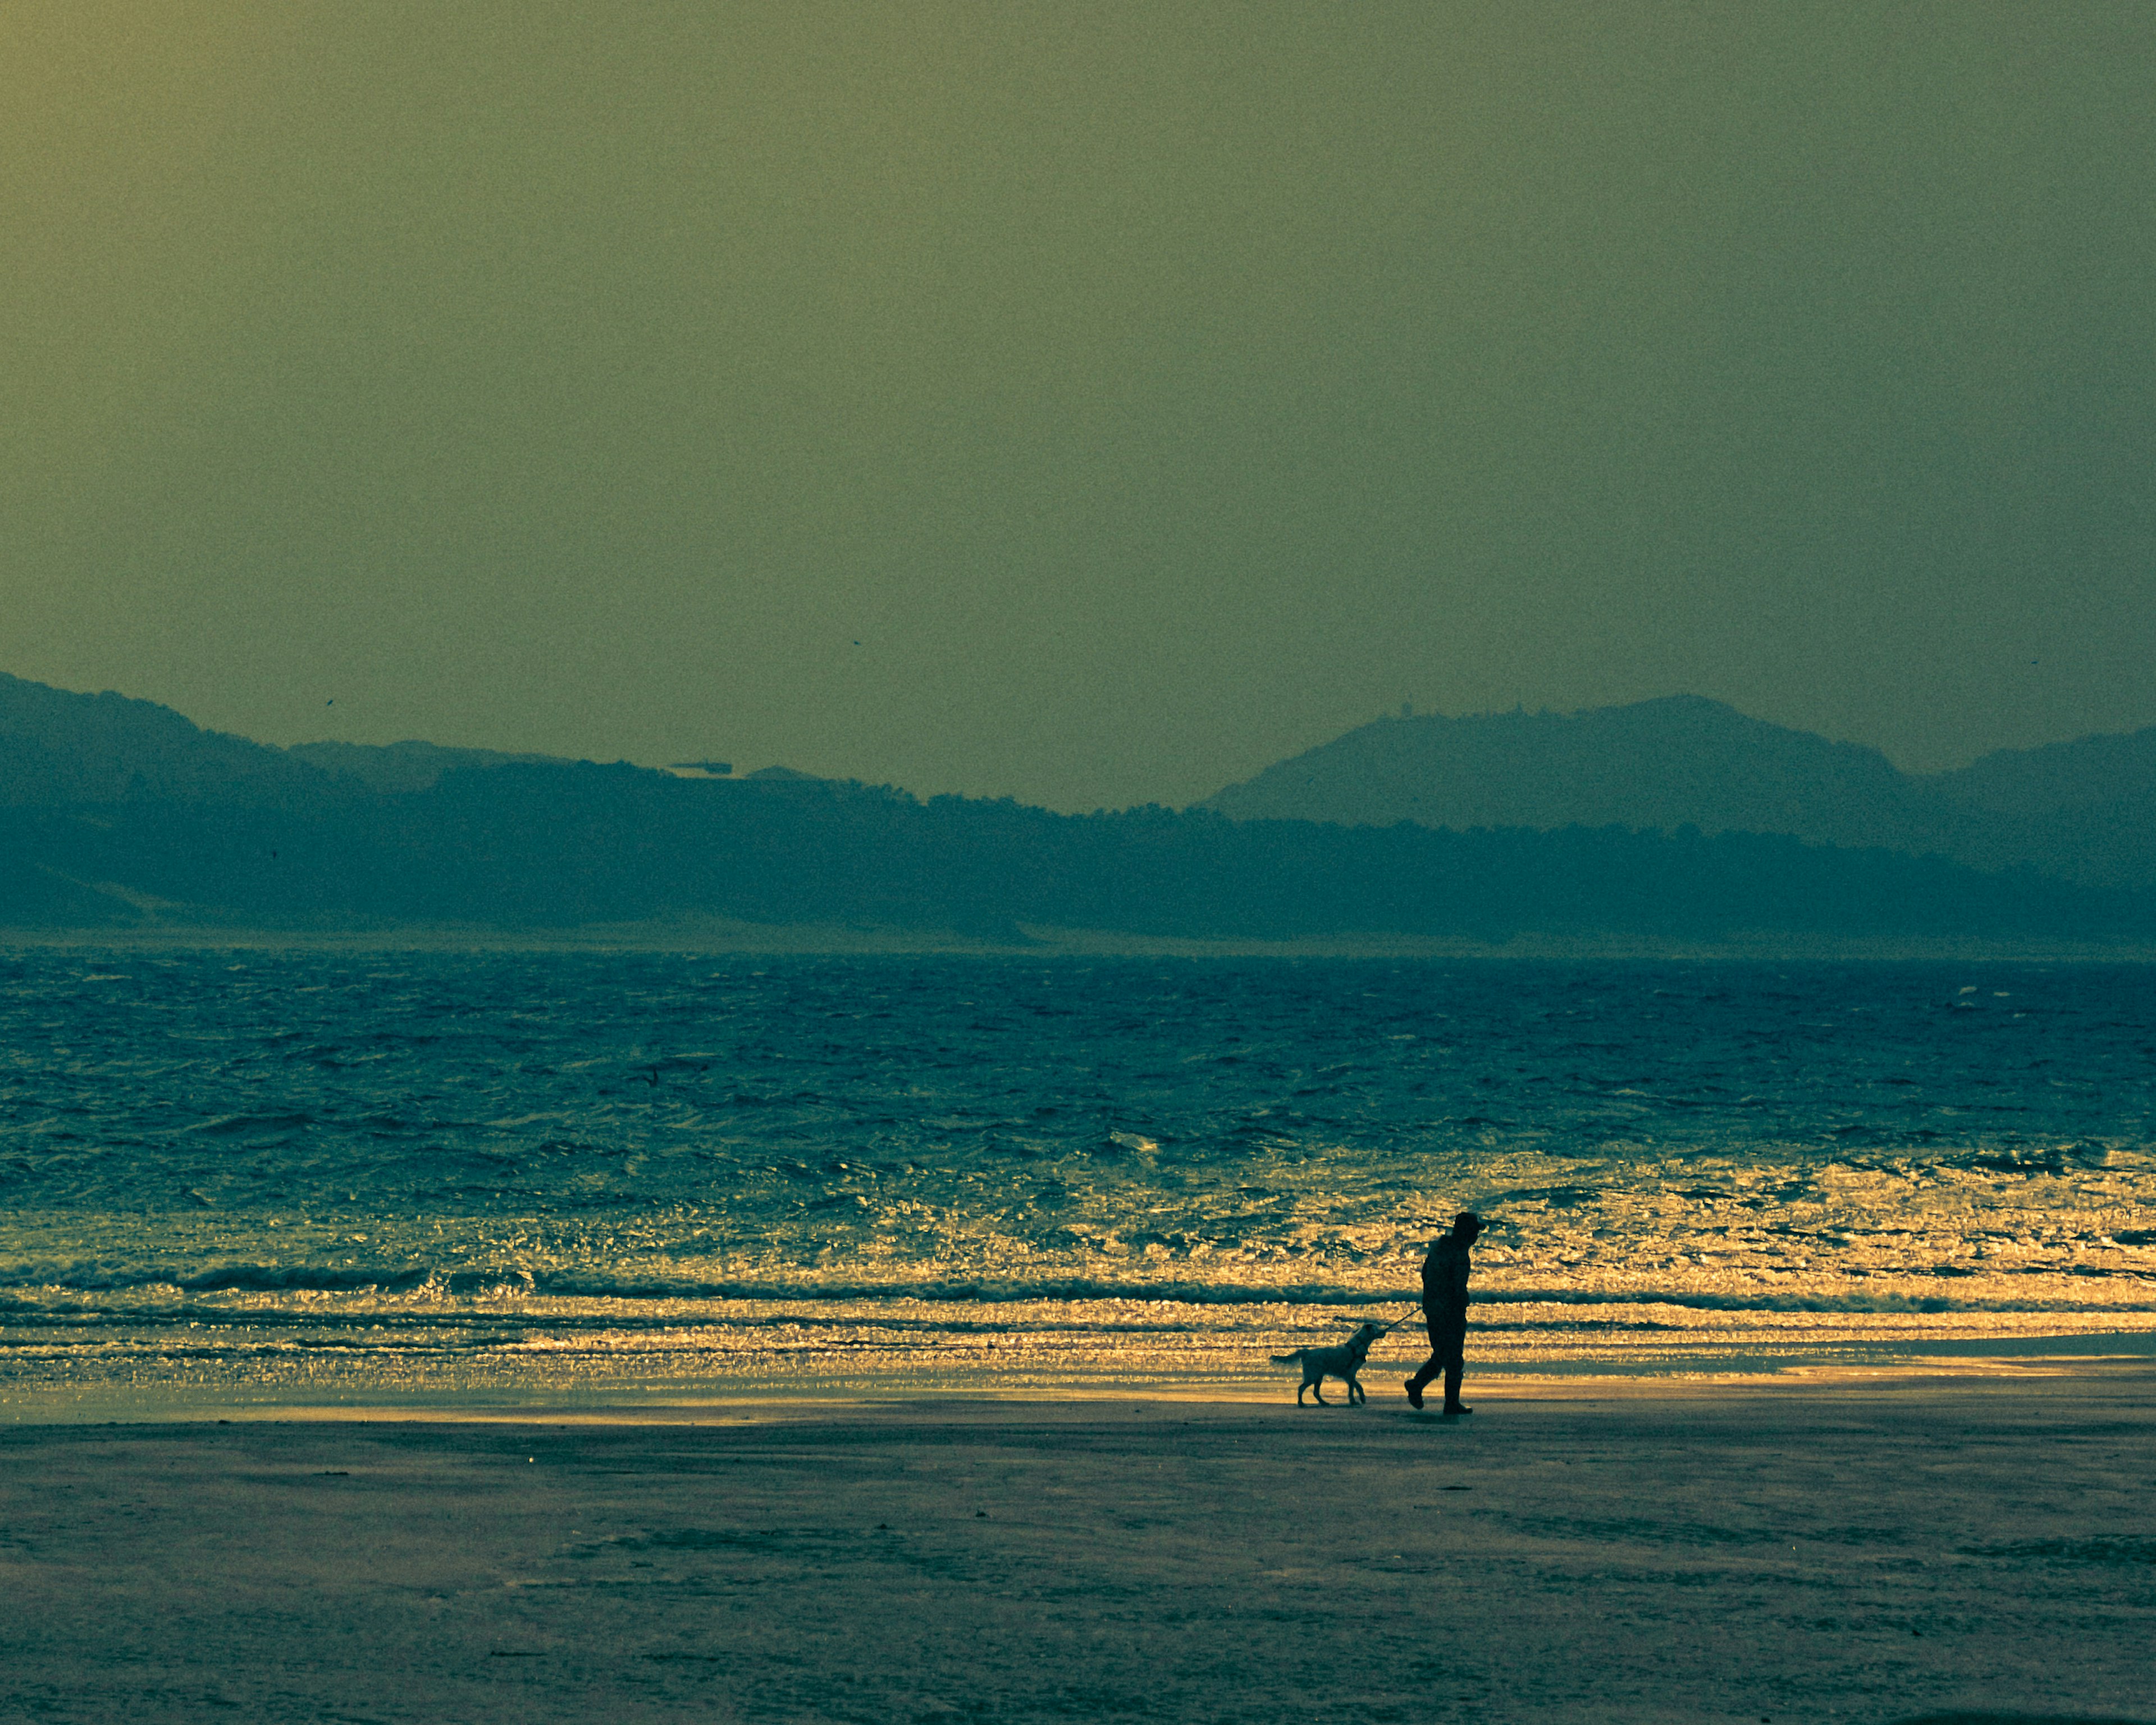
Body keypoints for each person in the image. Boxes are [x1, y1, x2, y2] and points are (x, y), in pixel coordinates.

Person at [1405, 1211, 1481, 1415]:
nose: (1476, 1236)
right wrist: (1459, 1303)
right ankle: (1449, 1403)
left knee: (1444, 1355)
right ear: (1466, 1232)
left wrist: (1431, 1298)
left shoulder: (1439, 1248)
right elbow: (1457, 1287)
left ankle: (1418, 1385)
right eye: (1474, 1232)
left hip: (1433, 1308)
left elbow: (1425, 1274)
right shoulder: (1459, 1253)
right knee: (1453, 1358)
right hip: (1448, 1312)